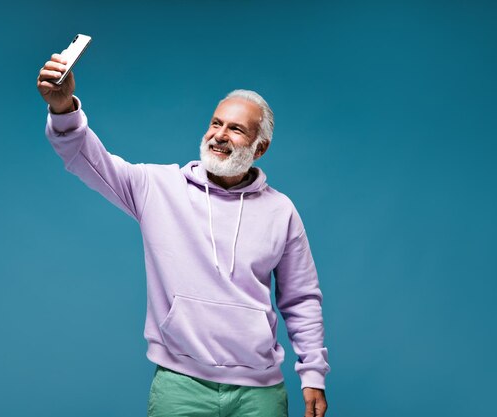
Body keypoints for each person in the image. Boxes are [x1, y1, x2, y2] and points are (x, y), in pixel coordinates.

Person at [37, 52, 331, 417]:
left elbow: (301, 299)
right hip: (180, 384)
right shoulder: (157, 187)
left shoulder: (281, 210)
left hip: (260, 391)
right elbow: (85, 156)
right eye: (215, 123)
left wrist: (313, 373)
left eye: (235, 129)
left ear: (261, 147)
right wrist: (64, 108)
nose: (219, 136)